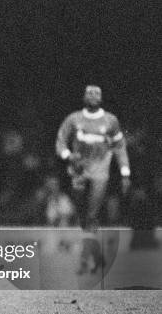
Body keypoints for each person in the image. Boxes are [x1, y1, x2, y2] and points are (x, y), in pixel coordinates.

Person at [56, 85, 130, 273]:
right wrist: (68, 155)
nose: (93, 96)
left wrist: (125, 172)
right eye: (89, 93)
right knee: (81, 214)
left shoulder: (110, 121)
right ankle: (94, 257)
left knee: (92, 215)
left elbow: (120, 147)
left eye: (97, 93)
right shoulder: (74, 119)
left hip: (100, 172)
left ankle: (85, 260)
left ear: (101, 97)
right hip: (78, 172)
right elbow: (61, 140)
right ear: (83, 97)